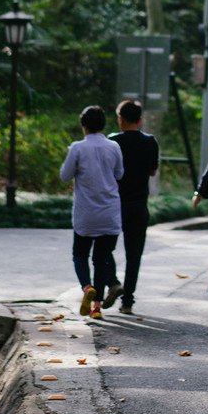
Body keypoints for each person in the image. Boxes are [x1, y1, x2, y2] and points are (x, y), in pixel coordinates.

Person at [60, 105, 123, 320]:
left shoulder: (77, 148)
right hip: (109, 211)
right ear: (103, 125)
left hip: (86, 213)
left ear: (83, 125)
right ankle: (96, 307)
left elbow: (65, 175)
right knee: (102, 258)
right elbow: (120, 173)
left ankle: (87, 288)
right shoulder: (114, 146)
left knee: (80, 254)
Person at [107, 98, 159, 314]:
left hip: (115, 204)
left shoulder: (113, 141)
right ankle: (127, 301)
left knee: (104, 249)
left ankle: (112, 282)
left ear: (120, 119)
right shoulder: (150, 141)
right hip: (139, 205)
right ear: (139, 119)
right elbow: (153, 171)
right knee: (134, 255)